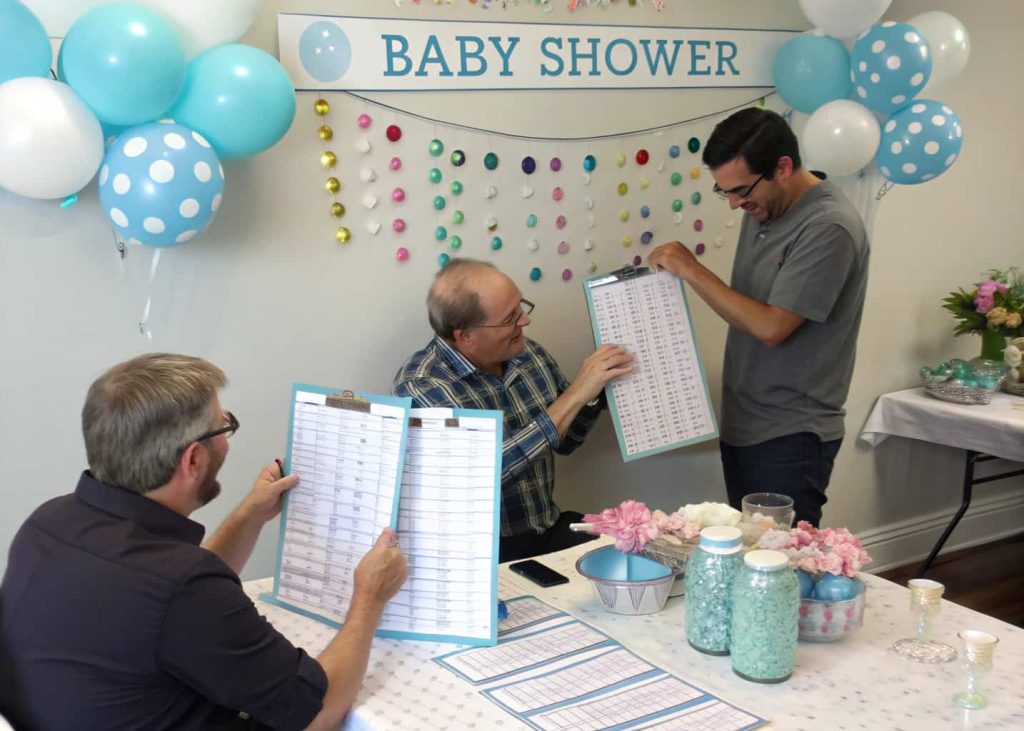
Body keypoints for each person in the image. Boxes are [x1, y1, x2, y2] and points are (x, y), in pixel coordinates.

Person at [0, 353, 408, 730]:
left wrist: (250, 515)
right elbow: (316, 712)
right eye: (223, 426)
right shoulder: (181, 587)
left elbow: (165, 606)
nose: (227, 439)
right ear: (193, 459)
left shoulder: (49, 523)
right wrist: (369, 598)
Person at [649, 107, 870, 526]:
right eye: (725, 191)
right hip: (744, 420)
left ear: (782, 168)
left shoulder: (828, 226)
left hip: (791, 432)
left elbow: (772, 327)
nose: (735, 203)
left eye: (741, 190)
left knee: (781, 558)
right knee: (746, 551)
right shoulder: (766, 205)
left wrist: (692, 269)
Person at [393, 259, 634, 562]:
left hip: (545, 530)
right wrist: (574, 395)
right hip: (477, 553)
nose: (525, 321)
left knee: (634, 552)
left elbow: (567, 441)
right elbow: (484, 475)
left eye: (521, 307)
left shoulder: (526, 353)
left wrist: (593, 394)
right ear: (464, 336)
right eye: (510, 318)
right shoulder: (421, 386)